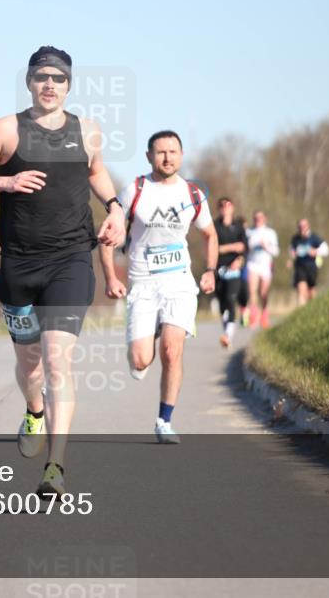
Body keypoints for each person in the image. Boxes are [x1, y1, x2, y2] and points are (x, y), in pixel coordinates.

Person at [0, 46, 126, 496]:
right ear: (30, 82)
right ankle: (34, 410)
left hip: (71, 258)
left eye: (58, 78)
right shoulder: (6, 129)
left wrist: (115, 207)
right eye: (41, 77)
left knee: (57, 360)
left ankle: (56, 466)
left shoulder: (87, 131)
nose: (49, 84)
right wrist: (5, 181)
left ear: (69, 85)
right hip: (18, 262)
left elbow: (98, 172)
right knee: (30, 365)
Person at [99, 130, 217, 443]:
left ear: (181, 155)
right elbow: (108, 235)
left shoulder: (192, 194)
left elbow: (210, 235)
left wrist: (210, 271)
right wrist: (111, 276)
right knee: (140, 360)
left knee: (171, 350)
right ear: (149, 156)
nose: (167, 157)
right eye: (161, 152)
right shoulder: (135, 190)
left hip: (179, 283)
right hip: (143, 284)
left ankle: (164, 421)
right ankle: (146, 335)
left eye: (173, 151)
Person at [213, 198, 247, 348]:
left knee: (231, 299)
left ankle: (228, 335)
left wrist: (239, 260)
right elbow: (214, 248)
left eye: (227, 205)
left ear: (232, 207)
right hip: (219, 270)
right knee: (222, 305)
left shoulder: (239, 227)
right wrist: (233, 247)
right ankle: (227, 331)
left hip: (234, 271)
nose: (225, 208)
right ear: (219, 209)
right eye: (221, 206)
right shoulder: (214, 226)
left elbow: (244, 247)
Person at [245, 211, 280, 328]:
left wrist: (266, 247)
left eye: (260, 217)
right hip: (253, 264)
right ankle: (254, 316)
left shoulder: (270, 233)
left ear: (265, 219)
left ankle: (264, 314)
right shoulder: (249, 232)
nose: (258, 219)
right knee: (252, 291)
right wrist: (252, 246)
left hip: (265, 265)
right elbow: (245, 248)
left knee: (263, 292)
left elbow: (276, 252)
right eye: (256, 217)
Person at [287, 218, 329, 306]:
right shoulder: (295, 239)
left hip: (312, 267)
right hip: (300, 266)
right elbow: (292, 251)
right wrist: (291, 259)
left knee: (311, 292)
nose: (302, 228)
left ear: (308, 226)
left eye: (304, 226)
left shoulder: (314, 238)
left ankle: (312, 308)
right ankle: (301, 310)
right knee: (301, 288)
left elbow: (326, 250)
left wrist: (316, 251)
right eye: (300, 226)